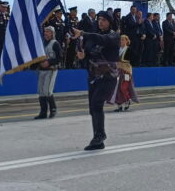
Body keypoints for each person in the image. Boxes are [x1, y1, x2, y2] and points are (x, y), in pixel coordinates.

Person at [70, 11, 119, 151]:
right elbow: (88, 55)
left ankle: (100, 135)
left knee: (97, 103)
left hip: (108, 76)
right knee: (93, 107)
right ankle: (98, 138)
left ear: (110, 22)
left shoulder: (114, 36)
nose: (100, 22)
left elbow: (103, 40)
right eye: (99, 19)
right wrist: (82, 55)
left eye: (104, 20)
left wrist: (83, 33)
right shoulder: (92, 37)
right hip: (93, 76)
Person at [34, 26, 62, 119]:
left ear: (52, 33)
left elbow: (59, 58)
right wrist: (39, 63)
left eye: (48, 31)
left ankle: (53, 109)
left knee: (47, 90)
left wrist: (49, 62)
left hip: (51, 70)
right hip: (41, 70)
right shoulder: (41, 44)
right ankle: (43, 112)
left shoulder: (55, 43)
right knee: (41, 91)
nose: (46, 33)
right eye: (45, 31)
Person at [112, 34, 139, 112]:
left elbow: (135, 58)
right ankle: (119, 105)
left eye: (123, 40)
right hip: (118, 71)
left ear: (127, 41)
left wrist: (129, 64)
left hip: (126, 71)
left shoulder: (129, 50)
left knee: (123, 87)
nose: (121, 41)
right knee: (117, 88)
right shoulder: (117, 50)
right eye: (120, 40)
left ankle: (127, 100)